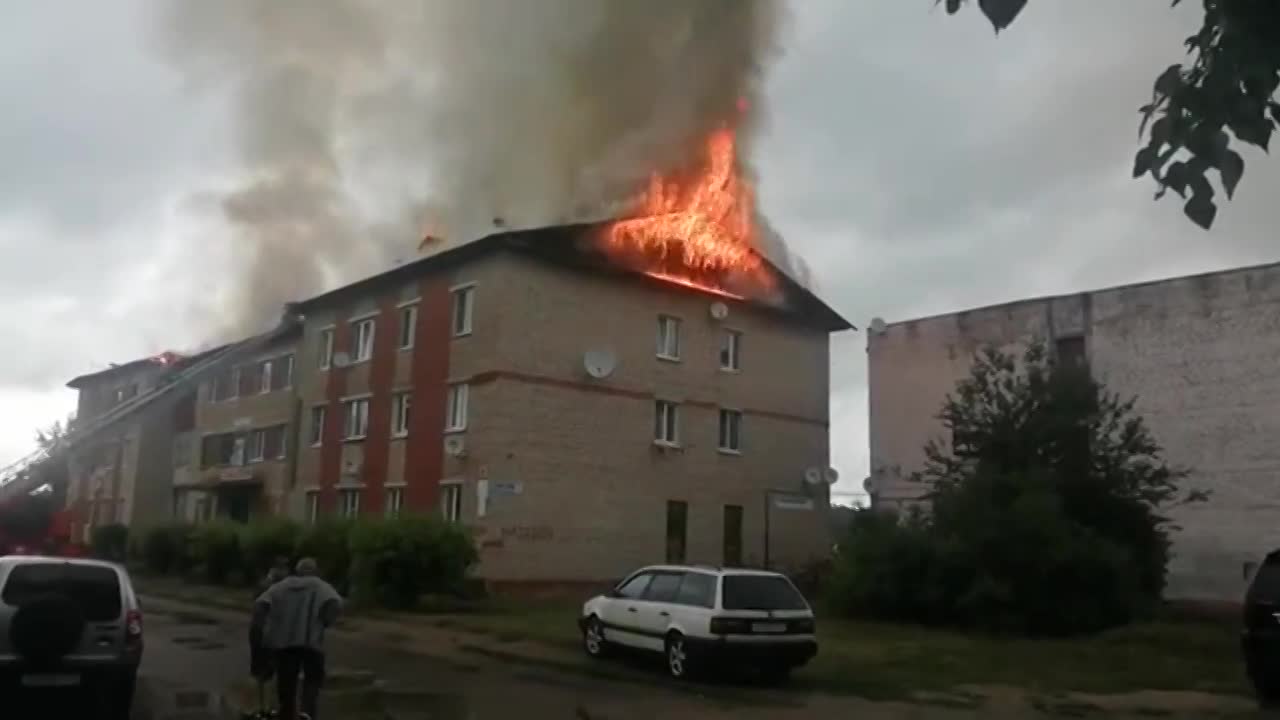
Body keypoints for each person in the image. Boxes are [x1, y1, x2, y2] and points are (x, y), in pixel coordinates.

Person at [252, 557, 342, 720]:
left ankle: (286, 714)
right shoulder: (321, 586)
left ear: (298, 571)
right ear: (315, 571)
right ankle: (306, 713)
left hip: (284, 644)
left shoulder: (281, 586)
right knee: (313, 680)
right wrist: (325, 621)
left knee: (286, 682)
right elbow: (335, 604)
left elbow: (260, 605)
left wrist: (268, 628)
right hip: (311, 644)